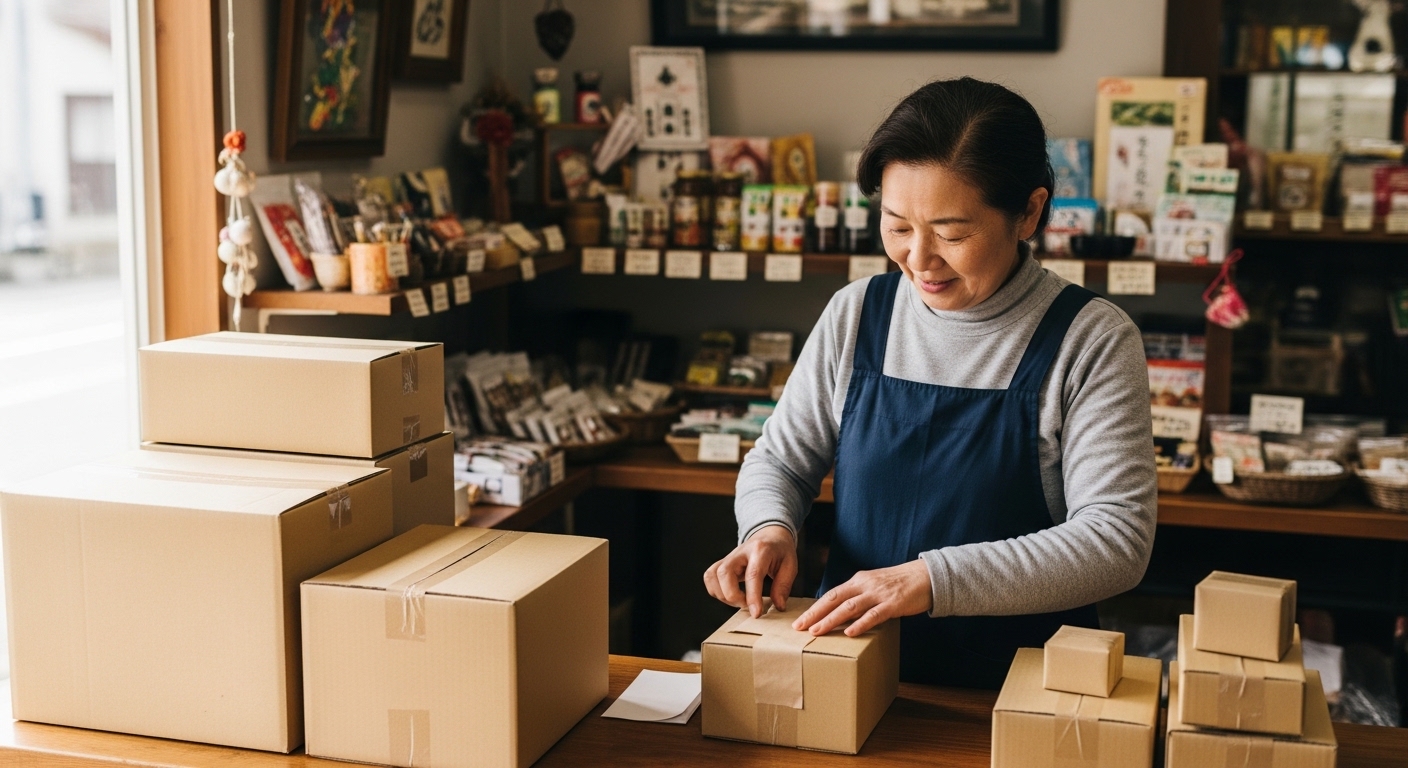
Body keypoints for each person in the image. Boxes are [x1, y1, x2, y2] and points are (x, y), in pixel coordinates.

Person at [703, 77, 1157, 689]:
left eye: (951, 233)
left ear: (1029, 211)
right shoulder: (857, 312)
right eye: (897, 226)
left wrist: (927, 579)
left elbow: (1115, 541)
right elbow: (780, 459)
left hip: (1024, 686)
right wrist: (768, 527)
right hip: (848, 668)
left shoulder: (1091, 339)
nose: (919, 258)